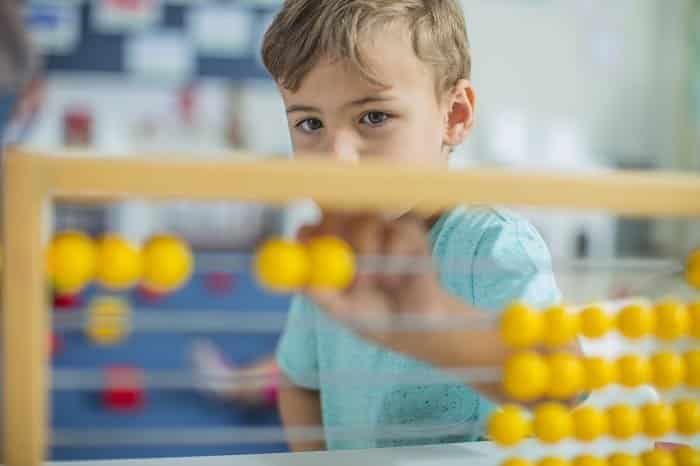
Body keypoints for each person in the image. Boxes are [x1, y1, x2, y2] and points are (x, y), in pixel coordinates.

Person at [197, 0, 571, 451]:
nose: (338, 157)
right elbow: (299, 382)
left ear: (454, 117)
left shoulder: (493, 245)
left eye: (373, 117)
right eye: (310, 123)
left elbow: (563, 387)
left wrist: (431, 325)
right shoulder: (332, 254)